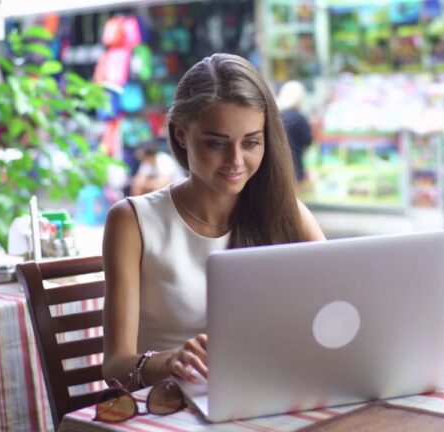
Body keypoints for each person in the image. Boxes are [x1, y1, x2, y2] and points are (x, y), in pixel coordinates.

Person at [101, 53, 325, 389]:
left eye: (251, 142)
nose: (235, 160)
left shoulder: (284, 212)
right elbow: (115, 367)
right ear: (180, 134)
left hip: (264, 394)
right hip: (170, 404)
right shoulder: (132, 222)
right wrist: (170, 361)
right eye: (217, 144)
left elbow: (337, 306)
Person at [277, 80, 313, 184]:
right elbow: (308, 141)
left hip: (278, 167)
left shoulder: (277, 116)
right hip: (295, 166)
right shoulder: (299, 118)